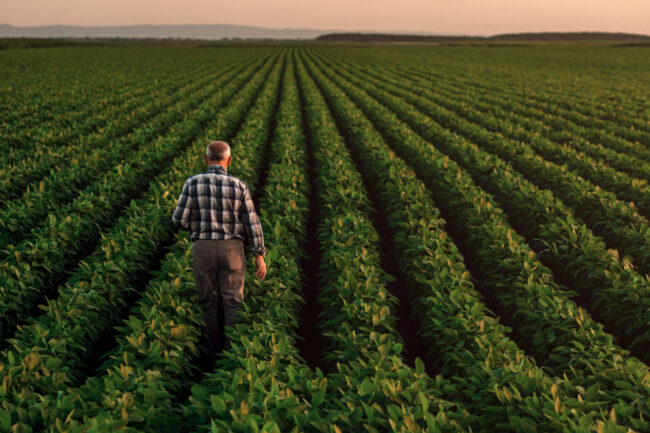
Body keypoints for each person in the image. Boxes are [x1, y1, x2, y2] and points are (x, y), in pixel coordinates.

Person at [172, 140, 266, 362]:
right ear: (229, 160)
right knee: (233, 301)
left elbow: (178, 219)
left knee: (208, 300)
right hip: (231, 249)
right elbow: (252, 222)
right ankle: (233, 354)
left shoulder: (192, 183)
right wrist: (258, 254)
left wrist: (195, 225)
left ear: (206, 159)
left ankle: (212, 353)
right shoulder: (239, 186)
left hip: (203, 246)